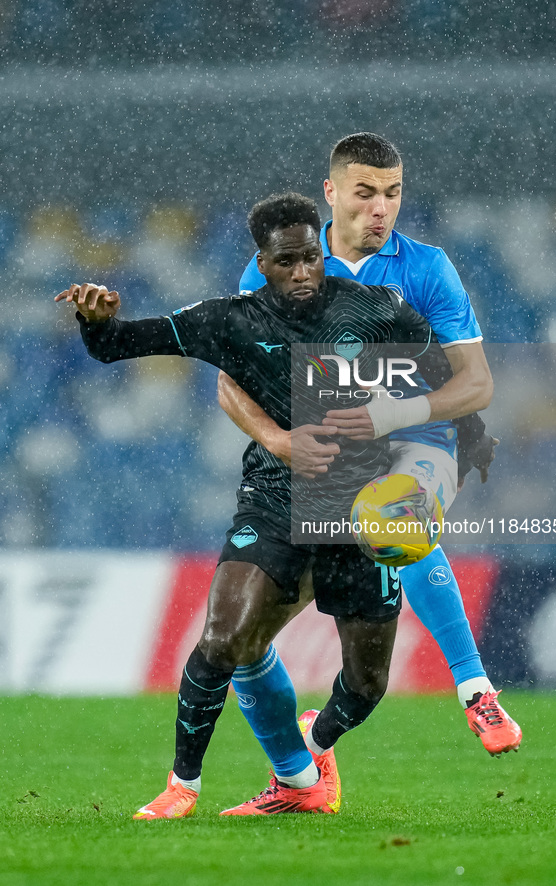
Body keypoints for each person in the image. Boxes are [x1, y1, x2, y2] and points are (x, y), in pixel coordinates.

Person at [56, 193, 495, 819]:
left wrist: (443, 442)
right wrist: (97, 321)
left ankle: (308, 763)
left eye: (312, 258)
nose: (303, 272)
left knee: (368, 684)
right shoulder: (229, 320)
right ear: (261, 263)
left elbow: (438, 375)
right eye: (287, 261)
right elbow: (117, 345)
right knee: (224, 635)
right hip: (272, 496)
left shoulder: (376, 309)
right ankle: (184, 785)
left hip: (359, 510)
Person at [217, 132, 521, 757]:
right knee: (240, 646)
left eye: (392, 194)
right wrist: (277, 439)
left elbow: (478, 384)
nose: (380, 208)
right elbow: (232, 380)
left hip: (422, 438)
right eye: (365, 194)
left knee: (395, 515)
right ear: (331, 195)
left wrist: (394, 412)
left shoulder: (427, 267)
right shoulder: (280, 264)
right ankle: (301, 769)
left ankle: (475, 689)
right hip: (326, 459)